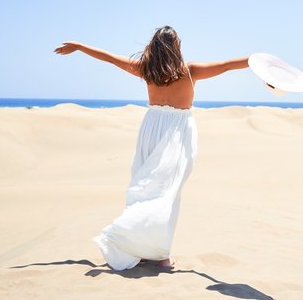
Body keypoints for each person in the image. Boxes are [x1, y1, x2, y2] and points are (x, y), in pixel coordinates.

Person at [54, 25, 249, 270]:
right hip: (178, 133)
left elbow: (109, 58)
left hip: (151, 130)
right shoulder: (191, 71)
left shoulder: (146, 70)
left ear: (154, 48)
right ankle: (160, 254)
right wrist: (259, 62)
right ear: (176, 47)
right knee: (167, 193)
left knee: (145, 189)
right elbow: (227, 65)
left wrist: (80, 47)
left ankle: (144, 248)